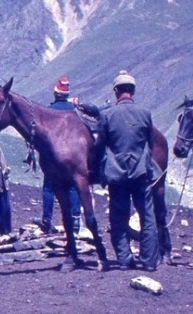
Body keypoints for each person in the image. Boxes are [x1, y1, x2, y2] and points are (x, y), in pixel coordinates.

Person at [93, 70, 160, 272]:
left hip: (117, 175)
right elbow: (151, 143)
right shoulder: (145, 114)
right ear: (133, 91)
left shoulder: (107, 115)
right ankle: (149, 261)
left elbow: (100, 146)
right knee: (147, 216)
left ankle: (124, 259)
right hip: (141, 174)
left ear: (116, 91)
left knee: (118, 217)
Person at [37, 77, 82, 235]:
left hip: (52, 158)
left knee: (49, 188)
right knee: (73, 187)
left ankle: (47, 220)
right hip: (71, 157)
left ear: (56, 94)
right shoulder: (75, 111)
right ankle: (75, 220)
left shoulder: (48, 111)